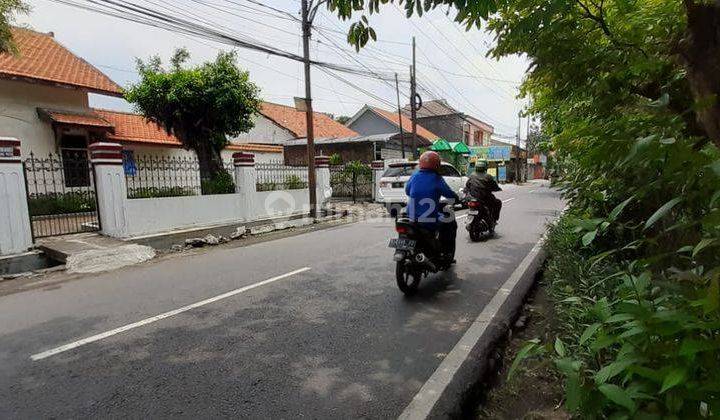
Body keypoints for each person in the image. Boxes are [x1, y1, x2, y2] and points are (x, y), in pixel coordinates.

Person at [404, 151, 459, 262]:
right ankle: (446, 253)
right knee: (450, 222)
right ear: (437, 165)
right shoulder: (436, 179)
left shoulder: (414, 176)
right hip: (428, 220)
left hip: (410, 217)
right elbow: (449, 194)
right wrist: (456, 199)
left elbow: (408, 191)